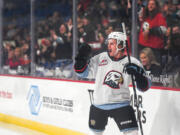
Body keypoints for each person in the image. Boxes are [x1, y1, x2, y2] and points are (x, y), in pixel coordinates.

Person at [74, 32, 151, 135]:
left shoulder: (132, 62)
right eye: (108, 43)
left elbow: (145, 87)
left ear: (121, 45)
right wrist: (80, 58)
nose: (108, 46)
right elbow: (82, 73)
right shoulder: (101, 58)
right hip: (99, 105)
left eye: (112, 43)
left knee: (133, 132)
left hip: (121, 104)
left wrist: (138, 74)